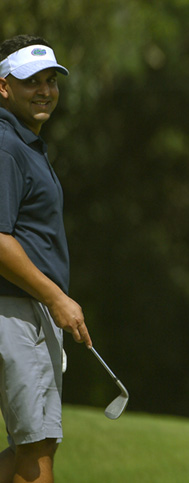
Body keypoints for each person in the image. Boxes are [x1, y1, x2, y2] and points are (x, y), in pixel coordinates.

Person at [0, 36, 91, 483]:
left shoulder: (25, 143)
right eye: (30, 81)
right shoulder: (6, 145)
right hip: (17, 310)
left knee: (32, 447)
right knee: (36, 453)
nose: (44, 90)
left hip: (27, 310)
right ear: (3, 87)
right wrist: (56, 297)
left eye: (50, 80)